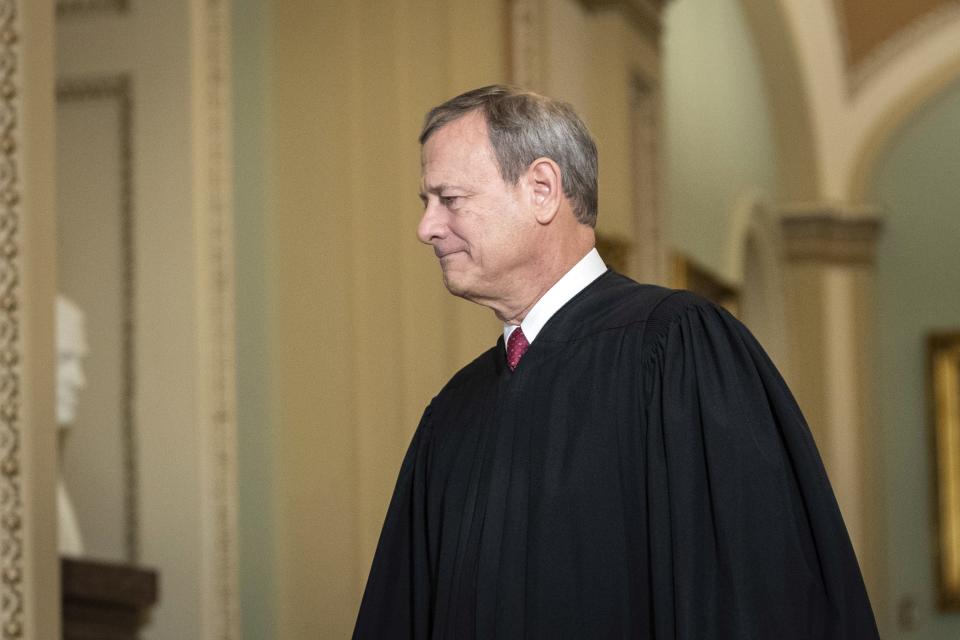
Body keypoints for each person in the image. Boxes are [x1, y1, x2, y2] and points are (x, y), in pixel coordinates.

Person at [354, 85, 878, 639]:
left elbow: (756, 598)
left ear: (542, 189)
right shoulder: (457, 409)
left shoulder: (677, 350)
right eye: (426, 203)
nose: (427, 228)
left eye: (449, 199)